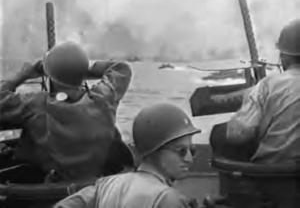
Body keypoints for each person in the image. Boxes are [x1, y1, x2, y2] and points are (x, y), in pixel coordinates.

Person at [0, 41, 133, 182]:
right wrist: (78, 68)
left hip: (54, 186)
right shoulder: (103, 98)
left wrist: (23, 75)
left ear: (50, 76)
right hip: (95, 180)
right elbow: (121, 68)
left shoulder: (37, 105)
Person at [54, 103, 201, 208]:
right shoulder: (169, 199)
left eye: (192, 150)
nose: (189, 158)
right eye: (181, 151)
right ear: (154, 149)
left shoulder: (106, 185)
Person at [226, 19, 300, 164]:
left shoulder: (269, 85)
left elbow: (238, 135)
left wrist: (248, 102)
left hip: (273, 169)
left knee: (219, 134)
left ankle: (239, 182)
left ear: (284, 56)